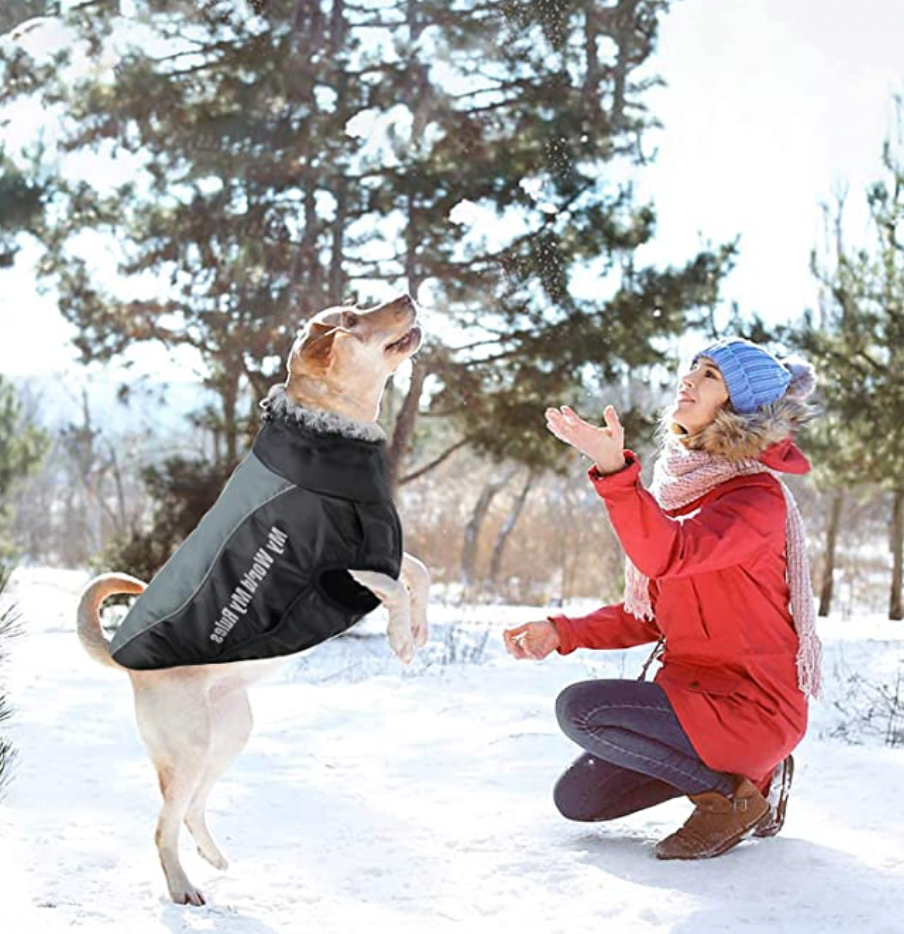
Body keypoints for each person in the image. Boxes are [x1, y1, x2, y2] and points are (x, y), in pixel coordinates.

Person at [503, 337, 820, 860]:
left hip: (751, 708)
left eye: (711, 375)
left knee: (582, 710)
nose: (689, 379)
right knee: (578, 800)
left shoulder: (755, 501)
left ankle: (733, 797)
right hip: (691, 697)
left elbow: (667, 554)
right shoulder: (680, 490)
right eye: (693, 368)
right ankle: (744, 779)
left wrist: (614, 473)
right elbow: (647, 614)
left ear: (738, 407)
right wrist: (563, 632)